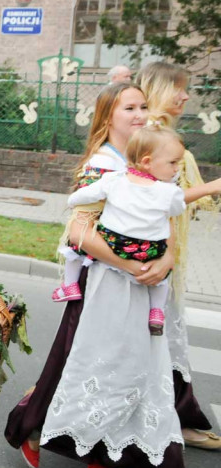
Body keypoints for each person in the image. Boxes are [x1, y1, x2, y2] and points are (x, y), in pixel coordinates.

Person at [1, 83, 216, 468]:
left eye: (143, 106)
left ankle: (111, 452)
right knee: (91, 363)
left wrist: (166, 259)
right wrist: (132, 266)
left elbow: (165, 217)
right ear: (107, 116)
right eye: (128, 108)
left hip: (142, 280)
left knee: (130, 367)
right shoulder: (102, 166)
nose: (140, 114)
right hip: (106, 281)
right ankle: (45, 428)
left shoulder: (147, 159)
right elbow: (79, 231)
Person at [136, 61, 221, 451]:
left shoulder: (162, 132)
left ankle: (176, 417)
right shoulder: (150, 135)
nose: (186, 96)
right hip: (153, 255)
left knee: (163, 339)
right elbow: (158, 196)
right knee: (159, 339)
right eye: (178, 88)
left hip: (166, 254)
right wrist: (212, 188)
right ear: (157, 88)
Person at [64, 125, 186, 335]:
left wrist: (72, 201)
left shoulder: (114, 179)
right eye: (173, 163)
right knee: (163, 279)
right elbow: (176, 210)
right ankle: (157, 311)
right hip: (148, 251)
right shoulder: (169, 191)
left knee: (73, 250)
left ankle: (68, 285)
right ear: (147, 162)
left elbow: (85, 196)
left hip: (113, 243)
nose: (177, 169)